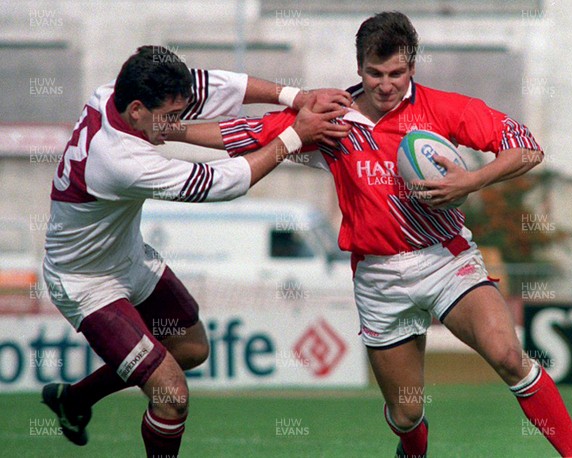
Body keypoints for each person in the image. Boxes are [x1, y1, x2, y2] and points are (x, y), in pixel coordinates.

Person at [173, 12, 572, 458]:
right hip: (379, 278)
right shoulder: (331, 118)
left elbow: (526, 147)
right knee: (407, 413)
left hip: (446, 260)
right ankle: (412, 445)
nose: (386, 84)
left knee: (509, 356)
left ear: (412, 68)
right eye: (375, 73)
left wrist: (471, 181)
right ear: (358, 67)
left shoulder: (442, 108)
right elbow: (245, 133)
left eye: (397, 73)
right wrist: (164, 130)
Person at [41, 45, 350, 457]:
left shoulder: (117, 94)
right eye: (169, 117)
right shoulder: (118, 160)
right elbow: (222, 184)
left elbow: (216, 85)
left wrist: (295, 98)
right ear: (136, 111)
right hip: (85, 281)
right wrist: (295, 137)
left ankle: (75, 400)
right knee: (172, 394)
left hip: (128, 257)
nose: (176, 125)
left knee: (191, 349)